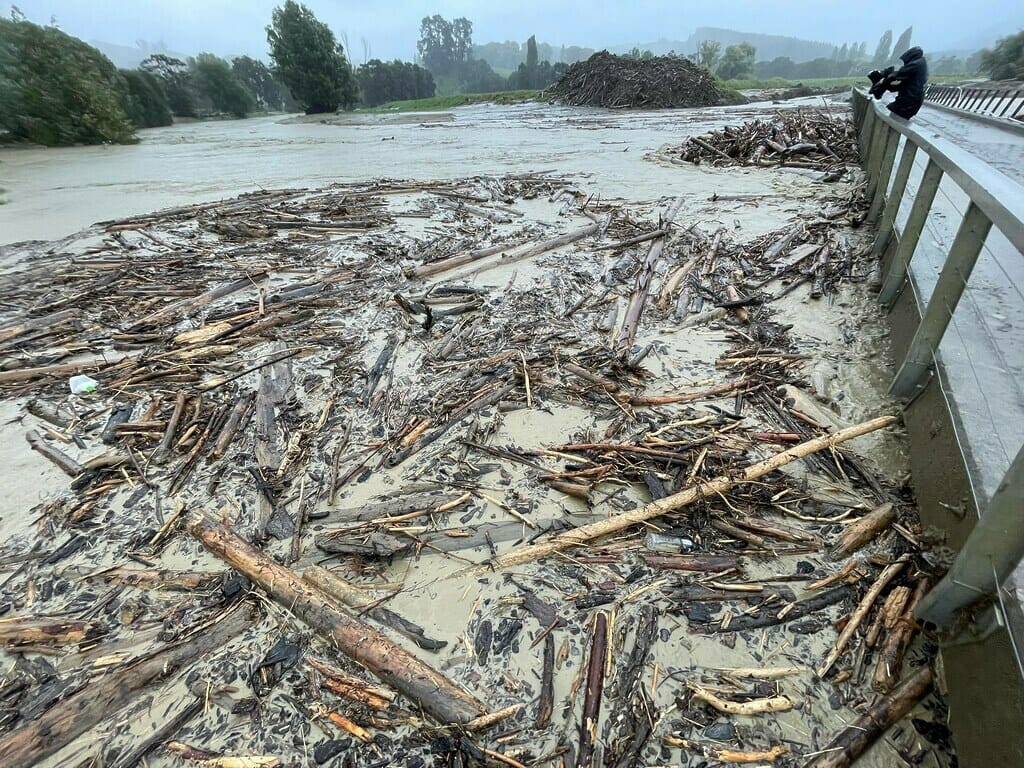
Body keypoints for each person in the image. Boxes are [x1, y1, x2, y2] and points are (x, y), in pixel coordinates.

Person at [867, 47, 929, 120]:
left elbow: (900, 73)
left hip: (908, 102)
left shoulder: (915, 65)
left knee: (888, 116)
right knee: (891, 114)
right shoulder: (920, 65)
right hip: (911, 101)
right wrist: (889, 85)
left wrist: (884, 81)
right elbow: (903, 84)